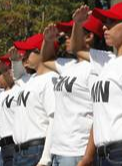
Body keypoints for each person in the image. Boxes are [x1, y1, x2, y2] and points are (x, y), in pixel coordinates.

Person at [70, 2, 122, 166]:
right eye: (105, 23)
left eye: (111, 22)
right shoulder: (107, 61)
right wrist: (77, 24)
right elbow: (76, 47)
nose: (105, 27)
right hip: (102, 155)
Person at [40, 16, 105, 166]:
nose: (67, 38)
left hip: (77, 151)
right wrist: (48, 40)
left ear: (89, 37)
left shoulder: (95, 68)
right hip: (58, 150)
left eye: (71, 33)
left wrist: (87, 156)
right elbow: (45, 59)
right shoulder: (68, 64)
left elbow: (99, 113)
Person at [11, 34, 58, 166]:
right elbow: (18, 76)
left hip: (36, 151)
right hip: (21, 152)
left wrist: (45, 158)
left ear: (41, 52)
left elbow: (53, 119)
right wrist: (15, 61)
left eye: (28, 51)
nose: (23, 55)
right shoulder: (31, 79)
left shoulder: (51, 79)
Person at [0, 55, 18, 166]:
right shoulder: (1, 94)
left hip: (14, 145)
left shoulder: (18, 91)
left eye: (2, 72)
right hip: (3, 147)